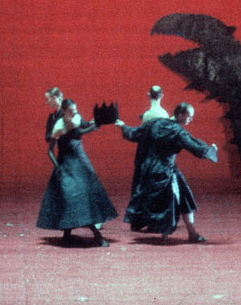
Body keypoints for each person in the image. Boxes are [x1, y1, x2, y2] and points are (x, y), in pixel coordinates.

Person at [115, 102, 217, 243]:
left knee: (175, 200)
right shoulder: (178, 132)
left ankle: (189, 233)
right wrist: (212, 150)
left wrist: (122, 125)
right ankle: (173, 234)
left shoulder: (154, 123)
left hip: (149, 170)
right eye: (189, 116)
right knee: (178, 200)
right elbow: (196, 148)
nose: (191, 119)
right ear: (180, 115)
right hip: (165, 171)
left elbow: (133, 134)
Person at [37, 97, 118, 247]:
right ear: (63, 111)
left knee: (83, 198)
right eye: (70, 111)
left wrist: (94, 123)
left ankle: (75, 234)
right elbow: (50, 150)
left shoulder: (76, 117)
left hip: (80, 163)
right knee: (72, 199)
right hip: (66, 166)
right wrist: (57, 166)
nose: (74, 113)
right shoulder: (59, 127)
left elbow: (82, 127)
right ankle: (93, 234)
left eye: (75, 110)